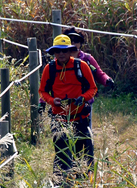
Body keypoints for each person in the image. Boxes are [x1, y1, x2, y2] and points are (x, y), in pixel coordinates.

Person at [39, 34, 98, 180]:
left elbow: (93, 89)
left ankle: (82, 184)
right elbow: (42, 91)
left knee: (82, 154)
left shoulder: (81, 66)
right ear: (54, 53)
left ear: (70, 51)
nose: (61, 54)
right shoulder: (50, 68)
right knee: (62, 153)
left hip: (80, 117)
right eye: (58, 51)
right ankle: (61, 183)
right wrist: (53, 101)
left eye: (64, 51)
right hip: (59, 118)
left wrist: (82, 98)